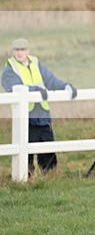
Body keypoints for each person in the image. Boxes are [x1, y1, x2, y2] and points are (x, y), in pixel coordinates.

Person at [2, 38, 78, 175]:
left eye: (23, 50)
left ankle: (50, 178)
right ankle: (26, 180)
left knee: (48, 151)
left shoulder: (36, 63)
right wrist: (35, 90)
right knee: (26, 155)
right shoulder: (9, 70)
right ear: (13, 52)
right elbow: (15, 87)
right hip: (26, 118)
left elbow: (51, 81)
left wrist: (66, 86)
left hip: (42, 115)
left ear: (28, 51)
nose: (20, 53)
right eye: (17, 50)